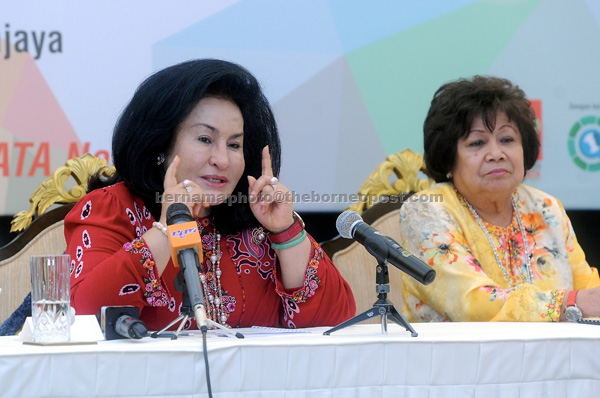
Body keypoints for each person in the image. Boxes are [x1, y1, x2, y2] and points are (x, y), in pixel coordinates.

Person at [64, 59, 355, 331]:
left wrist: (285, 232)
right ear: (160, 146)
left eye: (234, 145)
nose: (222, 160)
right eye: (205, 139)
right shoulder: (113, 209)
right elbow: (84, 316)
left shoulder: (256, 224)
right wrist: (168, 227)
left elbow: (334, 323)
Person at [398, 75, 600, 322]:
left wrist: (586, 301)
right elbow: (472, 305)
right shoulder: (427, 210)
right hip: (460, 357)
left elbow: (590, 293)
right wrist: (570, 303)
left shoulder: (546, 208)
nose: (496, 154)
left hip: (552, 358)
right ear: (449, 157)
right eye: (477, 142)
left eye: (507, 140)